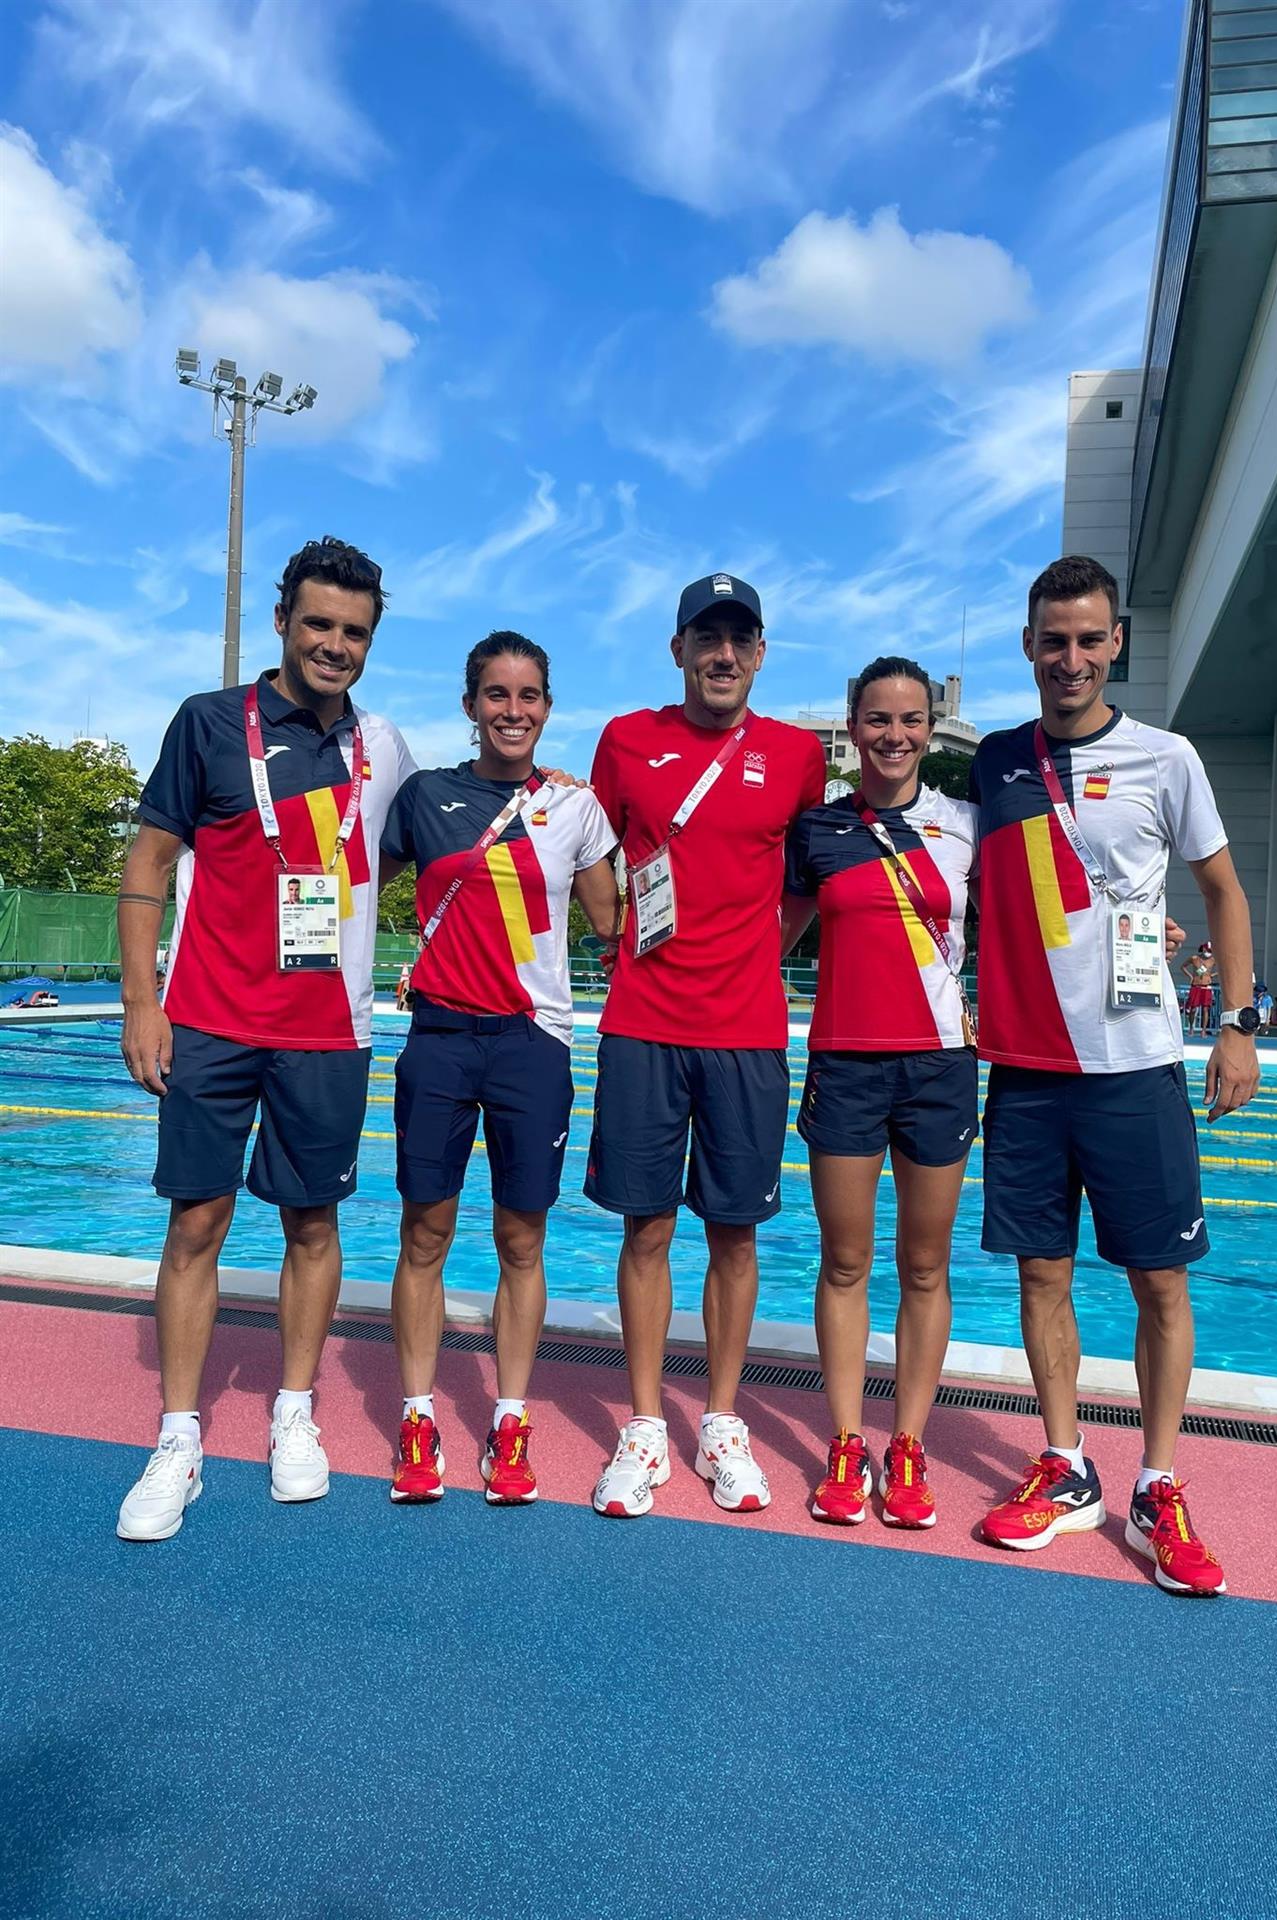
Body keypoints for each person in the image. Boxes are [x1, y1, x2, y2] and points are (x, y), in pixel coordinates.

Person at [114, 537, 416, 1541]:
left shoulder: (383, 747)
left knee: (312, 1227)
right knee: (195, 1224)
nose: (335, 645)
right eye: (320, 624)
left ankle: (295, 1413)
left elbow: (453, 851)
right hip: (206, 1018)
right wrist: (140, 1001)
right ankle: (178, 1439)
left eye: (355, 632)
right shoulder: (210, 725)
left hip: (327, 1032)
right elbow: (151, 858)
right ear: (284, 618)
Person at [971, 554, 1260, 1597]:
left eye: (1091, 639)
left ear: (1117, 644)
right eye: (1055, 640)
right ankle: (1067, 1464)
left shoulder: (1166, 758)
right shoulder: (994, 762)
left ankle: (1159, 1482)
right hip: (1028, 1070)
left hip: (1137, 1067)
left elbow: (1221, 891)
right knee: (1041, 1274)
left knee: (1160, 1282)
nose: (1073, 658)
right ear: (1029, 646)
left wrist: (1236, 1023)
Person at [585, 573, 825, 1517]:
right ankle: (646, 1424)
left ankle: (722, 1420)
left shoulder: (798, 755)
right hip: (644, 1022)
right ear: (678, 647)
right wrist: (613, 933)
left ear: (761, 654)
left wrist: (767, 954)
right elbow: (584, 844)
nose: (724, 654)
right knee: (646, 1228)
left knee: (735, 1231)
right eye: (706, 637)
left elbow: (808, 874)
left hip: (747, 1030)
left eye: (741, 639)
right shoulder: (626, 740)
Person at [379, 633, 619, 1504]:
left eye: (528, 696)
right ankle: (416, 1413)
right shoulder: (424, 798)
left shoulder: (576, 809)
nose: (512, 710)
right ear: (470, 703)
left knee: (522, 1238)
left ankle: (509, 1417)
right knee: (425, 1233)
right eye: (495, 694)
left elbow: (613, 928)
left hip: (532, 1044)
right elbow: (356, 883)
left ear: (547, 706)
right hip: (440, 1037)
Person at [781, 657, 978, 1528]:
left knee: (925, 1264)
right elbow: (768, 936)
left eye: (910, 720)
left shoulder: (965, 824)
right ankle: (847, 1442)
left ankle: (908, 1445)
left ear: (929, 729)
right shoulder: (818, 828)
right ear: (853, 727)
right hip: (847, 1063)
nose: (894, 736)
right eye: (877, 720)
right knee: (846, 1261)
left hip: (939, 1064)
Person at [1182, 940, 1216, 1034]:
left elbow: (1223, 968)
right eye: (1208, 950)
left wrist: (1212, 975)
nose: (1209, 953)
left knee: (1205, 1008)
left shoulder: (1212, 960)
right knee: (1193, 1008)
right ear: (1204, 949)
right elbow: (1183, 966)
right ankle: (1191, 1027)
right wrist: (1190, 976)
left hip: (1206, 986)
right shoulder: (1194, 958)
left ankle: (1203, 1030)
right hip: (1196, 985)